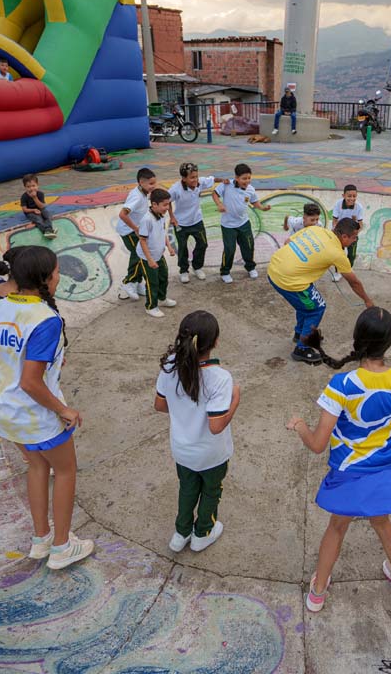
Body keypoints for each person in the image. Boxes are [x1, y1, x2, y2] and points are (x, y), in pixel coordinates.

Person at [287, 308, 391, 613]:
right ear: (390, 342)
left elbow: (317, 444)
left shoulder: (342, 385)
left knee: (337, 527)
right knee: (383, 522)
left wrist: (299, 426)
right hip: (389, 471)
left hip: (349, 472)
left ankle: (318, 591)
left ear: (357, 339)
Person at [0, 245, 94, 570]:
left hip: (3, 411)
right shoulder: (46, 319)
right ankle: (63, 546)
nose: (58, 276)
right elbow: (31, 383)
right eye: (56, 272)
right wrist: (65, 411)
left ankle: (42, 540)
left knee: (37, 467)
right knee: (65, 472)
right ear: (45, 279)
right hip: (36, 415)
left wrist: (9, 358)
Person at [155, 310, 239, 553]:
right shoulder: (220, 377)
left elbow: (160, 405)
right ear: (215, 342)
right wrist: (236, 399)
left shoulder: (169, 365)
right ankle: (203, 532)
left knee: (187, 489)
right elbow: (216, 426)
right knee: (211, 491)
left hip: (182, 450)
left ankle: (181, 533)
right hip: (212, 454)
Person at [268, 218, 374, 364]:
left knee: (305, 304)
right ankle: (302, 349)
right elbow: (354, 282)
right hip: (288, 280)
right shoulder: (337, 253)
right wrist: (367, 300)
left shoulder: (316, 229)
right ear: (344, 237)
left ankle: (300, 334)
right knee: (317, 308)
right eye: (354, 237)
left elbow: (288, 242)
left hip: (274, 268)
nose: (355, 240)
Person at [211, 163, 271, 283]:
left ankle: (250, 267)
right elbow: (214, 193)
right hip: (228, 225)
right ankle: (225, 271)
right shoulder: (227, 185)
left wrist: (263, 208)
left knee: (248, 246)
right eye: (244, 178)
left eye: (249, 178)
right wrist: (219, 204)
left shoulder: (250, 189)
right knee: (230, 249)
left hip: (244, 223)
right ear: (236, 178)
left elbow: (255, 203)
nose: (247, 181)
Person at [168, 163, 224, 284]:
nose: (195, 180)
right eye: (192, 177)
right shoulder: (175, 189)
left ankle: (197, 267)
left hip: (197, 221)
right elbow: (167, 201)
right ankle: (183, 271)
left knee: (203, 244)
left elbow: (213, 179)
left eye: (196, 176)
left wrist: (224, 180)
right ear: (184, 178)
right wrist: (172, 217)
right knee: (182, 248)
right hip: (181, 224)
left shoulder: (200, 183)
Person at [136, 188, 178, 318]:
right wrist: (149, 259)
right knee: (152, 282)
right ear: (154, 204)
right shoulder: (147, 220)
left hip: (159, 255)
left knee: (163, 278)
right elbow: (142, 240)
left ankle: (162, 298)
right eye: (165, 205)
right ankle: (151, 306)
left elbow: (162, 232)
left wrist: (169, 247)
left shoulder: (160, 215)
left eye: (168, 204)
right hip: (148, 258)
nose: (167, 207)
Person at [116, 168, 156, 300]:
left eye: (154, 183)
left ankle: (138, 283)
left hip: (134, 230)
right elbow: (122, 214)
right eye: (150, 184)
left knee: (140, 255)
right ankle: (128, 282)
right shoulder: (137, 197)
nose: (153, 186)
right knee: (139, 254)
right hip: (128, 232)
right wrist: (136, 229)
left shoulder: (143, 193)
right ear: (141, 182)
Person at [330, 184, 364, 282]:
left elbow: (360, 224)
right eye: (349, 196)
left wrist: (355, 234)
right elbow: (334, 221)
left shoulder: (359, 207)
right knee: (338, 255)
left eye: (354, 196)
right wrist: (336, 233)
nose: (352, 198)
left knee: (352, 255)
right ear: (343, 195)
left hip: (352, 234)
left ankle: (348, 269)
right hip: (340, 233)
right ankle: (337, 272)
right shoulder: (338, 204)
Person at [20, 174, 56, 239]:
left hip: (40, 209)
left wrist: (35, 197)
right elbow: (24, 209)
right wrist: (33, 210)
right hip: (30, 212)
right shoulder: (24, 196)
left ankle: (49, 229)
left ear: (37, 185)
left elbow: (42, 206)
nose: (31, 188)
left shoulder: (40, 194)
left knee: (48, 215)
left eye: (33, 186)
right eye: (28, 187)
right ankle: (45, 231)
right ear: (25, 187)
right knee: (38, 219)